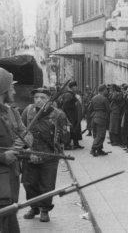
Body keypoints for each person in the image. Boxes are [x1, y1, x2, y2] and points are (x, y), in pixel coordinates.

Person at [21, 87, 70, 223]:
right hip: (30, 154)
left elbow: (65, 137)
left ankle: (44, 210)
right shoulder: (28, 111)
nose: (38, 100)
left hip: (49, 155)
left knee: (47, 185)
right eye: (36, 97)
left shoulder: (58, 114)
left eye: (42, 97)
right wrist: (27, 149)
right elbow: (21, 130)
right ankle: (34, 207)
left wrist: (60, 131)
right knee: (29, 184)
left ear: (49, 99)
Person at [0, 68, 33, 233]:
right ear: (3, 90)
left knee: (10, 219)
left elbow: (23, 133)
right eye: (10, 88)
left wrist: (21, 148)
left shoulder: (9, 112)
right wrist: (2, 156)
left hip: (10, 178)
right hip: (1, 182)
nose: (14, 90)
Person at [88, 84, 111, 157]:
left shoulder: (94, 98)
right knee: (101, 134)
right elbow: (109, 109)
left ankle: (99, 149)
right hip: (101, 118)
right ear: (103, 90)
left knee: (96, 134)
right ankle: (93, 149)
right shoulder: (104, 98)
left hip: (94, 117)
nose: (107, 90)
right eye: (106, 89)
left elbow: (89, 109)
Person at [61, 81, 83, 149]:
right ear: (72, 87)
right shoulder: (69, 94)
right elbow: (66, 106)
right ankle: (67, 145)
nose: (76, 88)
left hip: (74, 115)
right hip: (70, 115)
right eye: (75, 86)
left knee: (76, 129)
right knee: (70, 129)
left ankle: (76, 144)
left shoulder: (72, 94)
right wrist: (75, 106)